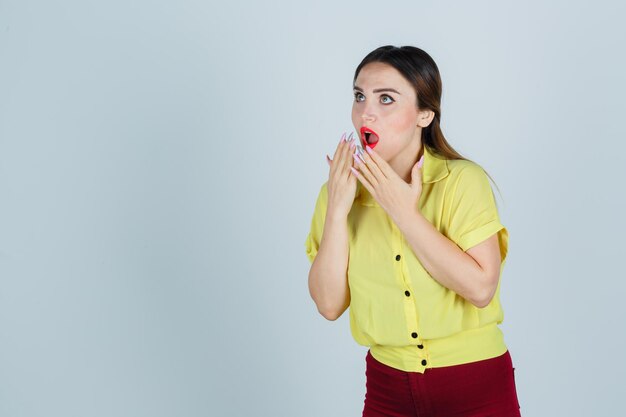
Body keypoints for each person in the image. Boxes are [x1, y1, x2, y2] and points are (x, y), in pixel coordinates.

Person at [305, 45, 522, 417]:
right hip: (388, 391)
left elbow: (481, 288)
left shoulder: (461, 182)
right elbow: (329, 305)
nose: (366, 112)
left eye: (385, 98)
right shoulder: (337, 191)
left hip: (476, 386)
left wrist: (403, 211)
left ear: (425, 114)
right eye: (360, 96)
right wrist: (338, 211)